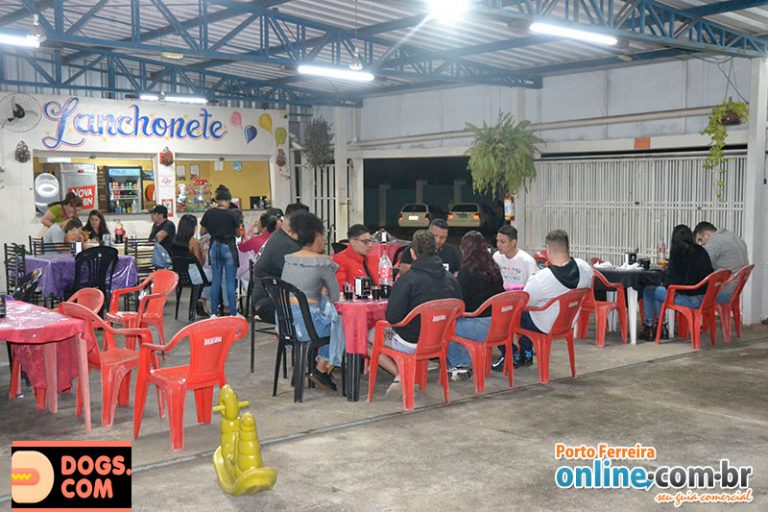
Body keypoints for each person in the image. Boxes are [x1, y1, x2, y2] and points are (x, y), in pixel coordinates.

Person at [372, 230, 462, 396]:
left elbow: (392, 317)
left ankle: (400, 374)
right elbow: (458, 309)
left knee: (367, 337)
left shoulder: (407, 280)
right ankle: (403, 374)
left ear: (413, 253)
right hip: (440, 339)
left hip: (410, 342)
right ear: (436, 250)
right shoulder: (451, 279)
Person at [494, 229, 592, 370]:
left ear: (548, 249)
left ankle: (511, 354)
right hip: (568, 321)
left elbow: (524, 303)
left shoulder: (541, 279)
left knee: (507, 315)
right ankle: (526, 352)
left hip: (544, 324)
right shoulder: (585, 268)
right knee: (526, 314)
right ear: (567, 247)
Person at [281, 212, 344, 391]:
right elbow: (336, 296)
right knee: (344, 323)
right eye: (323, 235)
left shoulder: (289, 259)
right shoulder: (322, 263)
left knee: (331, 320)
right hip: (308, 325)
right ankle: (323, 367)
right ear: (317, 236)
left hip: (286, 324)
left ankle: (316, 367)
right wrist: (324, 293)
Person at [446, 231, 504, 381]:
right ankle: (466, 363)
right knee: (460, 324)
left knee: (447, 327)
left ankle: (459, 365)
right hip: (499, 325)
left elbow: (461, 303)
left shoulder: (467, 271)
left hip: (478, 326)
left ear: (465, 249)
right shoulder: (494, 268)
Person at [641, 225, 713, 340]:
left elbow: (672, 281)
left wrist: (664, 281)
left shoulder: (677, 252)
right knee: (658, 292)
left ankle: (649, 327)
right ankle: (661, 326)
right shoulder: (701, 250)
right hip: (705, 298)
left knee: (648, 291)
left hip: (688, 298)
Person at [250, 202, 310, 323]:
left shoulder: (281, 236)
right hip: (269, 304)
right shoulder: (285, 245)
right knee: (319, 314)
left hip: (274, 298)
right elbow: (304, 277)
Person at [201, 187, 241, 317]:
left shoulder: (209, 213)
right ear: (228, 200)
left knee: (216, 281)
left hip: (214, 247)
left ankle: (214, 313)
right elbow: (238, 234)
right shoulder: (233, 214)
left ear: (217, 200)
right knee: (230, 282)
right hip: (228, 247)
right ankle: (233, 313)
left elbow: (202, 231)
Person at [693, 221, 748, 303]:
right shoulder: (733, 237)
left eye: (700, 240)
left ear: (706, 234)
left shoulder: (715, 242)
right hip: (736, 290)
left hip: (724, 291)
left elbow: (698, 265)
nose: (702, 244)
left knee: (682, 296)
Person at [332, 224, 378, 288]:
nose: (370, 245)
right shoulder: (340, 259)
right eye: (365, 242)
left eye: (370, 241)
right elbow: (340, 287)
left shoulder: (374, 259)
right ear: (352, 242)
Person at [493, 224, 538, 289]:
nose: (498, 245)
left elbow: (533, 285)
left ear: (513, 242)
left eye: (502, 242)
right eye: (497, 241)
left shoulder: (527, 261)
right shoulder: (496, 257)